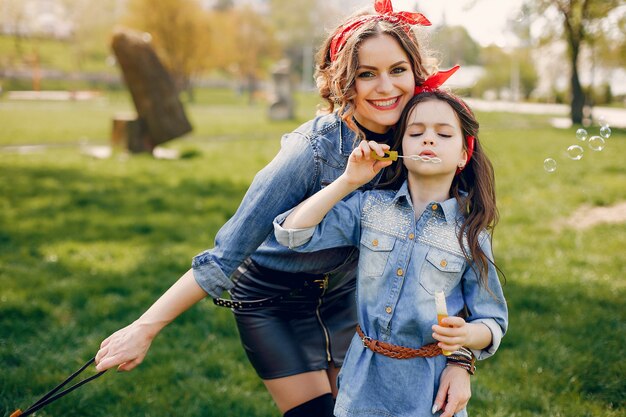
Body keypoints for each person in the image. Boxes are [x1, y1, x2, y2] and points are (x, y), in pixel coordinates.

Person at [94, 2, 474, 416]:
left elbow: (452, 259)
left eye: (397, 70)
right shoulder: (310, 151)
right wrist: (143, 329)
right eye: (367, 74)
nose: (386, 87)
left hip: (350, 296)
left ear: (415, 72)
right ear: (345, 81)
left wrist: (461, 361)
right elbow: (225, 255)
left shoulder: (424, 140)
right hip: (272, 301)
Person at [274, 89, 508, 416]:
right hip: (362, 382)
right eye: (416, 133)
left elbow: (493, 321)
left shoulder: (469, 234)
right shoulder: (371, 208)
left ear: (463, 156)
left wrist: (467, 334)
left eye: (443, 134)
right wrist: (347, 182)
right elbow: (293, 233)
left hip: (429, 390)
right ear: (401, 147)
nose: (428, 140)